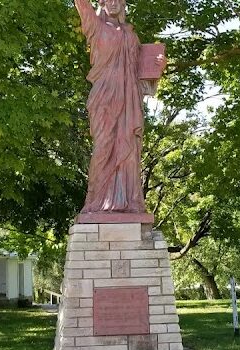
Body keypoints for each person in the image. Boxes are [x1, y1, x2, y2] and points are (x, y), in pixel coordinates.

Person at [74, 0, 165, 215]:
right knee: (103, 148)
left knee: (130, 150)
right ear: (102, 3)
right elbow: (81, 4)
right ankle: (95, 203)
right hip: (104, 97)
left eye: (118, 0)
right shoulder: (95, 27)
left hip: (129, 97)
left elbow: (143, 74)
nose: (114, 4)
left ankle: (130, 203)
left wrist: (159, 65)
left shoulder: (131, 35)